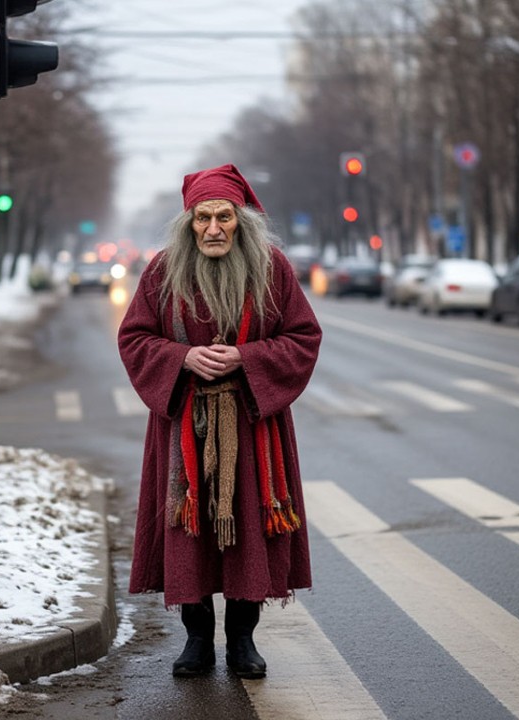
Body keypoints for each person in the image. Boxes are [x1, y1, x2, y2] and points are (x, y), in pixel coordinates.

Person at [117, 164, 322, 678]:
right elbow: (135, 338)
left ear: (240, 222)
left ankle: (243, 642)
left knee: (248, 528)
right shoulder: (163, 271)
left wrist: (246, 360)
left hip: (253, 427)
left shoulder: (272, 269)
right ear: (187, 223)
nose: (212, 228)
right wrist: (182, 359)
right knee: (191, 531)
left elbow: (303, 337)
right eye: (202, 217)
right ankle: (196, 642)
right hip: (183, 424)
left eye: (223, 217)